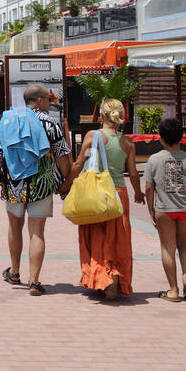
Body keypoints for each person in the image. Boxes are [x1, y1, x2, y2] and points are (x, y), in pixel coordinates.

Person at [0, 84, 73, 297]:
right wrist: (65, 182)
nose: (50, 103)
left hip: (13, 183)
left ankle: (15, 272)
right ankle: (34, 282)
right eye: (49, 100)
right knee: (37, 231)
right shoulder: (51, 123)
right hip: (41, 184)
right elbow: (62, 155)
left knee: (14, 227)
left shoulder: (8, 120)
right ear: (40, 100)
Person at [63, 99, 143, 301]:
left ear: (101, 116)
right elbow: (133, 173)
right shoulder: (127, 142)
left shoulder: (94, 135)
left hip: (97, 192)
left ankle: (103, 278)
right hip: (119, 194)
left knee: (97, 235)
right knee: (117, 238)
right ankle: (115, 275)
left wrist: (64, 186)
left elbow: (79, 164)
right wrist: (138, 193)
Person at [143, 117, 186, 302]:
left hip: (164, 210)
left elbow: (149, 188)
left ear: (161, 139)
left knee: (167, 248)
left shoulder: (154, 160)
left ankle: (173, 290)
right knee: (185, 244)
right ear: (181, 137)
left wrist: (151, 211)